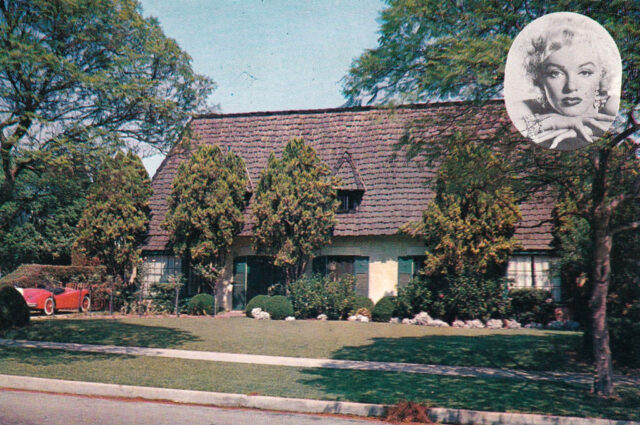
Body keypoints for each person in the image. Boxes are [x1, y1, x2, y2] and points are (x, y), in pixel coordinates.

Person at [512, 27, 618, 150]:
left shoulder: (610, 106)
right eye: (555, 73)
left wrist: (587, 129)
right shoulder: (526, 108)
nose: (571, 87)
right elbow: (513, 129)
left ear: (601, 76)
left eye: (584, 72)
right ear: (539, 79)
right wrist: (552, 121)